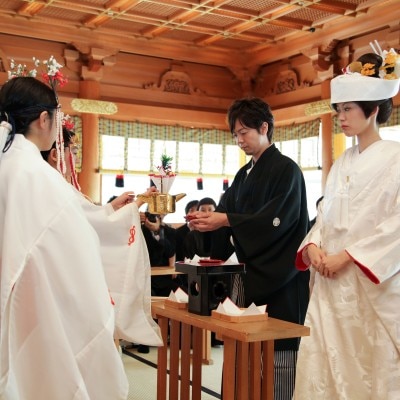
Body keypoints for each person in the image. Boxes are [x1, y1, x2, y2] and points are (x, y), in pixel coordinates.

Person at [0, 76, 128, 399]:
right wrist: (113, 219)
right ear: (44, 119)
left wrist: (108, 211)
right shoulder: (32, 171)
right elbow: (72, 234)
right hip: (25, 297)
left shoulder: (9, 162)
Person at [293, 49, 400, 399]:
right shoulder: (341, 162)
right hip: (330, 282)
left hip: (369, 282)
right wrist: (313, 246)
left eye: (348, 109)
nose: (341, 117)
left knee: (370, 369)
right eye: (338, 110)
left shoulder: (396, 158)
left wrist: (348, 256)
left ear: (372, 110)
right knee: (324, 367)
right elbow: (325, 216)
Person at [190, 97, 310, 400]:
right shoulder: (243, 175)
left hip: (280, 275)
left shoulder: (287, 171)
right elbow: (226, 217)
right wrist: (206, 223)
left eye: (244, 132)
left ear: (264, 127)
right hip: (247, 276)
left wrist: (227, 219)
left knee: (277, 357)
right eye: (235, 134)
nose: (239, 139)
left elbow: (274, 221)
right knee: (242, 354)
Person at [41, 124, 163, 349]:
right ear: (56, 153)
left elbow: (90, 217)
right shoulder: (55, 185)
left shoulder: (51, 183)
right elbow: (93, 222)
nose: (75, 156)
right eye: (73, 150)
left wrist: (112, 208)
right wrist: (136, 204)